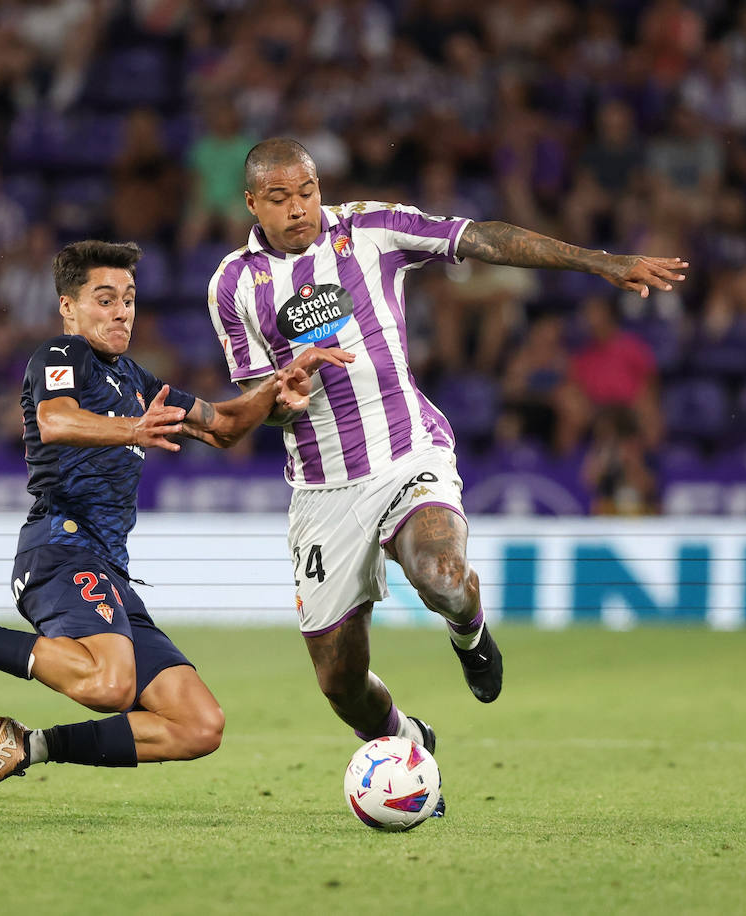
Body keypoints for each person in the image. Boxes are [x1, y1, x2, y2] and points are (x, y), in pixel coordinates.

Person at [207, 138, 687, 752]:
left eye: (307, 192)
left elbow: (481, 237)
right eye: (279, 199)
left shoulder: (371, 229)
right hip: (321, 489)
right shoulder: (234, 285)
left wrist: (599, 262)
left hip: (409, 452)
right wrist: (283, 394)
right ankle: (408, 739)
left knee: (443, 577)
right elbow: (252, 404)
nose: (298, 208)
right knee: (340, 682)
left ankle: (470, 634)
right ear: (252, 203)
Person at [0, 240, 351, 802]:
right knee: (110, 685)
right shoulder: (61, 356)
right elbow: (55, 420)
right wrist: (132, 430)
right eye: (105, 299)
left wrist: (280, 386)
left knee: (198, 725)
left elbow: (226, 425)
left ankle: (28, 746)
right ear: (69, 307)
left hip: (110, 572)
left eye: (129, 300)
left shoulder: (135, 379)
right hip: (58, 547)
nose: (121, 312)